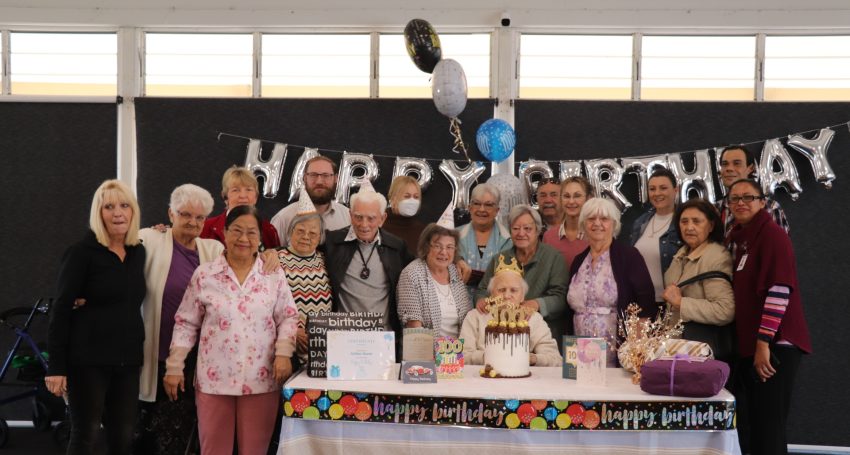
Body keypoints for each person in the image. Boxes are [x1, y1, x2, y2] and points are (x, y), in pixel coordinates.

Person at [164, 205, 298, 455]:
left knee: (255, 451)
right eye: (236, 231)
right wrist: (175, 366)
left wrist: (283, 353)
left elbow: (288, 317)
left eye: (251, 233)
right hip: (215, 381)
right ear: (224, 232)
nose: (243, 239)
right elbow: (186, 322)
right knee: (214, 450)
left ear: (260, 238)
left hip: (261, 378)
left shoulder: (272, 274)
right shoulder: (205, 275)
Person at [46, 179, 146, 455]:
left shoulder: (138, 252)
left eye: (125, 205)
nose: (118, 213)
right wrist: (56, 366)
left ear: (133, 211)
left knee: (123, 438)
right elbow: (61, 310)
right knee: (86, 436)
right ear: (98, 213)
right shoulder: (80, 254)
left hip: (127, 363)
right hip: (87, 362)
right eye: (109, 207)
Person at [136, 184, 224, 454]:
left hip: (197, 357)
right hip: (157, 351)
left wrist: (269, 255)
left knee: (187, 428)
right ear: (170, 214)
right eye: (185, 214)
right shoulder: (149, 239)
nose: (193, 222)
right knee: (150, 426)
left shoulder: (214, 250)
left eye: (200, 217)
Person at [727, 179, 811, 455]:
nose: (741, 202)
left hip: (775, 347)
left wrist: (763, 342)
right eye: (735, 198)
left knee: (769, 427)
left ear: (763, 202)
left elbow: (779, 291)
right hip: (756, 348)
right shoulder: (744, 240)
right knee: (755, 427)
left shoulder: (773, 236)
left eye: (748, 197)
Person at [567, 197, 657, 367]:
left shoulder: (629, 256)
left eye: (604, 219)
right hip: (578, 345)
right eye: (591, 219)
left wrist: (636, 346)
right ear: (583, 224)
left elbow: (646, 301)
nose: (597, 223)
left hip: (615, 345)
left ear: (614, 224)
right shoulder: (579, 260)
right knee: (579, 391)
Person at [323, 183, 415, 336]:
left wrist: (457, 260)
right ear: (350, 215)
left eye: (371, 218)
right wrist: (272, 253)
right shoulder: (332, 242)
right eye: (358, 217)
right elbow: (303, 252)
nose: (364, 225)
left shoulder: (396, 247)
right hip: (342, 336)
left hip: (383, 339)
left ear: (382, 218)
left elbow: (423, 266)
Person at [475, 205, 569, 351]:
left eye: (527, 228)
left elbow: (561, 298)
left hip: (539, 335)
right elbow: (482, 289)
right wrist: (481, 299)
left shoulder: (554, 258)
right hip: (501, 335)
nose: (521, 233)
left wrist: (537, 304)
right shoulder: (499, 258)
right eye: (516, 228)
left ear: (538, 230)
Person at [662, 199, 735, 362]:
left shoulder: (716, 257)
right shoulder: (681, 253)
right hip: (676, 349)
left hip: (700, 354)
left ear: (710, 226)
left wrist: (681, 302)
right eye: (684, 221)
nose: (689, 227)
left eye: (696, 221)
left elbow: (725, 310)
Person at [461, 256, 562, 367]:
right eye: (501, 290)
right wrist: (489, 356)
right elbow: (462, 355)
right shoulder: (475, 317)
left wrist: (533, 358)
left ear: (522, 296)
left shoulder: (533, 319)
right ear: (491, 294)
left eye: (514, 290)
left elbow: (555, 359)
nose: (507, 296)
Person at [275, 189, 333, 364]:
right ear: (290, 232)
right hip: (285, 347)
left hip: (322, 350)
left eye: (313, 233)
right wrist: (293, 331)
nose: (306, 237)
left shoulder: (326, 261)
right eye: (300, 231)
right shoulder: (275, 260)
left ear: (320, 237)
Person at [397, 223, 472, 338]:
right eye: (437, 246)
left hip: (458, 352)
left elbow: (467, 321)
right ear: (426, 247)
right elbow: (414, 328)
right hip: (425, 352)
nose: (443, 252)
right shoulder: (412, 274)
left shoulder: (456, 272)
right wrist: (441, 355)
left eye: (449, 247)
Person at [629, 168, 684, 304]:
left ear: (675, 190)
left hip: (670, 303)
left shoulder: (684, 221)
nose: (657, 193)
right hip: (641, 302)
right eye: (652, 189)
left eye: (663, 188)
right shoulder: (641, 221)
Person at [270, 155, 350, 246]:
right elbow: (269, 255)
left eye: (326, 175)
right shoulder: (283, 218)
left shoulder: (348, 217)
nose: (319, 181)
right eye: (313, 175)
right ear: (305, 178)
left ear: (336, 178)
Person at [716, 145, 789, 241]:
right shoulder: (715, 209)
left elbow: (778, 250)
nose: (729, 168)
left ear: (750, 168)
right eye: (724, 164)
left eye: (737, 163)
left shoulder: (770, 207)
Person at [201, 166, 280, 250]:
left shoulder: (269, 230)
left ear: (256, 197)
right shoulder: (206, 228)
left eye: (249, 190)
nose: (242, 196)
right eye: (236, 190)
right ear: (225, 197)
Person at [456, 183, 512, 295]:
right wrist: (456, 260)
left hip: (494, 303)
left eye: (489, 205)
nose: (482, 209)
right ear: (470, 207)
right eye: (476, 203)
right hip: (458, 301)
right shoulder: (453, 236)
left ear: (497, 210)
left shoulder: (508, 239)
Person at [543, 176, 592, 270]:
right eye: (566, 196)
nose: (571, 201)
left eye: (577, 196)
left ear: (588, 199)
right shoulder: (549, 237)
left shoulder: (596, 236)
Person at [381, 175, 427, 257]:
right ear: (393, 198)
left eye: (416, 197)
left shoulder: (423, 231)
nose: (412, 201)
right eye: (407, 196)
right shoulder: (380, 225)